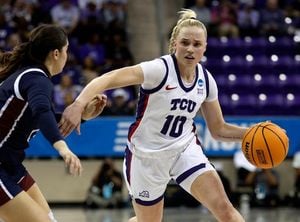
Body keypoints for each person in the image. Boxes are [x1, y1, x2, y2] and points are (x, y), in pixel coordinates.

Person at [60, 9, 252, 222]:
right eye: (185, 42)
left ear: (204, 47)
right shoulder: (158, 70)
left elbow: (218, 129)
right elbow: (109, 78)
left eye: (197, 44)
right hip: (146, 157)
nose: (190, 49)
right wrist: (78, 104)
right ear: (174, 44)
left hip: (184, 150)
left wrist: (253, 133)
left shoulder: (206, 81)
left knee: (225, 210)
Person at [0, 24, 105, 222]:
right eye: (66, 50)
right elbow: (41, 112)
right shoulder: (37, 79)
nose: (68, 56)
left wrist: (82, 116)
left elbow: (36, 118)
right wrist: (63, 148)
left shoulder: (29, 76)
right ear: (56, 53)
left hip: (10, 165)